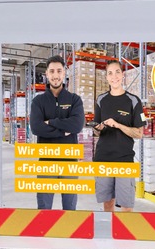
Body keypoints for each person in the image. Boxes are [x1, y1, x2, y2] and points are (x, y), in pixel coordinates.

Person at [28, 55, 85, 210]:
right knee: (44, 208)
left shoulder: (75, 100)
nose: (55, 75)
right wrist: (63, 130)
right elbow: (36, 128)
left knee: (70, 208)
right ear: (46, 74)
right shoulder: (38, 102)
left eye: (59, 71)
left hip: (69, 160)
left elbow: (77, 125)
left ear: (64, 73)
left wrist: (51, 122)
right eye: (52, 71)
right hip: (47, 159)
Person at [93, 60, 146, 211]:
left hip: (124, 159)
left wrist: (117, 125)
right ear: (106, 77)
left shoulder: (134, 101)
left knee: (126, 205)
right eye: (110, 73)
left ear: (123, 75)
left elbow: (139, 133)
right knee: (108, 202)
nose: (114, 76)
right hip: (103, 157)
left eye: (117, 72)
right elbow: (96, 131)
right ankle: (110, 232)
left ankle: (124, 233)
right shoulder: (101, 100)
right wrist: (98, 128)